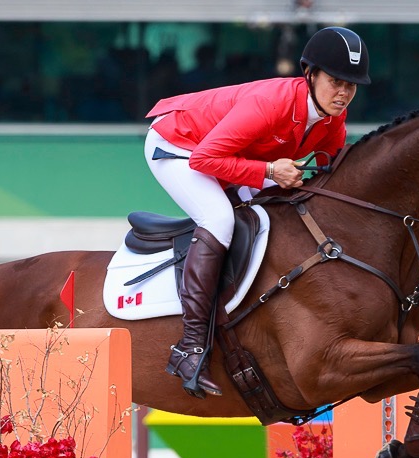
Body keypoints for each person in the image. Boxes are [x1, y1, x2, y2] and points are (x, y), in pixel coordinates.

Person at [143, 26, 370, 398]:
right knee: (219, 218)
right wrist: (267, 172)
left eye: (352, 85)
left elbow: (329, 183)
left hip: (229, 154)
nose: (343, 93)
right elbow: (205, 159)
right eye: (336, 81)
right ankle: (190, 346)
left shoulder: (333, 121)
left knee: (280, 208)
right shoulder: (272, 102)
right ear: (310, 75)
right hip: (179, 146)